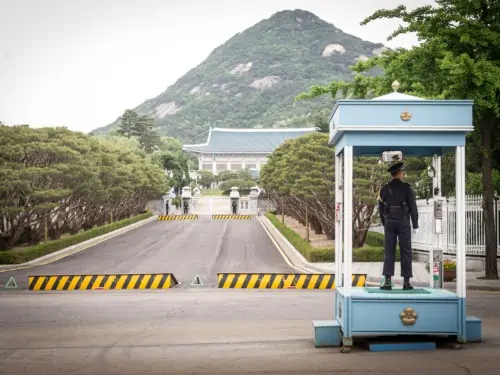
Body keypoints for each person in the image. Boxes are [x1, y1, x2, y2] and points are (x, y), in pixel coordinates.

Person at [378, 162, 419, 290]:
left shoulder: (384, 189)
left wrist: (385, 223)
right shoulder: (406, 188)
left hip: (389, 222)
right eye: (403, 173)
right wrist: (415, 224)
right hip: (403, 222)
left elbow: (380, 209)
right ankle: (406, 283)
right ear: (400, 173)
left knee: (389, 251)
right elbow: (413, 207)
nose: (404, 175)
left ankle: (388, 282)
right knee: (405, 251)